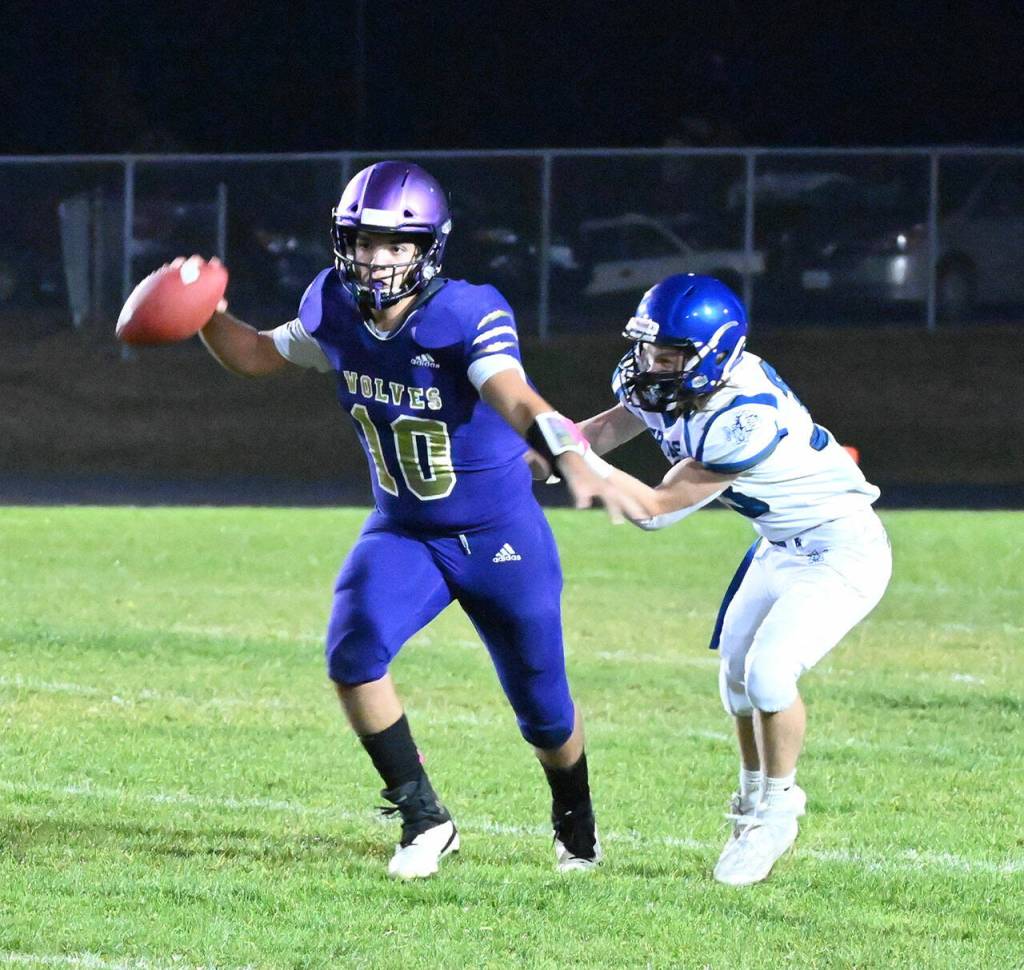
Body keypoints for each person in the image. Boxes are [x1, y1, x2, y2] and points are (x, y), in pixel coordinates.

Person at [193, 160, 648, 879]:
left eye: (393, 244)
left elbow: (516, 396)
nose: (375, 257)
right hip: (405, 529)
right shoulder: (334, 307)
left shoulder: (464, 313)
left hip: (500, 535)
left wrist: (575, 456)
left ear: (427, 248)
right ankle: (425, 819)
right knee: (353, 653)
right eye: (362, 240)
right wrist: (203, 318)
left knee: (544, 708)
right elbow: (255, 353)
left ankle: (575, 821)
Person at [572, 274, 892, 886]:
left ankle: (779, 810)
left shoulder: (743, 414)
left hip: (840, 547)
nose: (652, 366)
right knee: (736, 682)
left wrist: (575, 458)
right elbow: (612, 427)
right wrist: (538, 447)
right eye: (647, 350)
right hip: (779, 545)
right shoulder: (690, 378)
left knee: (771, 673)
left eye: (667, 356)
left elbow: (656, 512)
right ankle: (750, 806)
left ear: (712, 353)